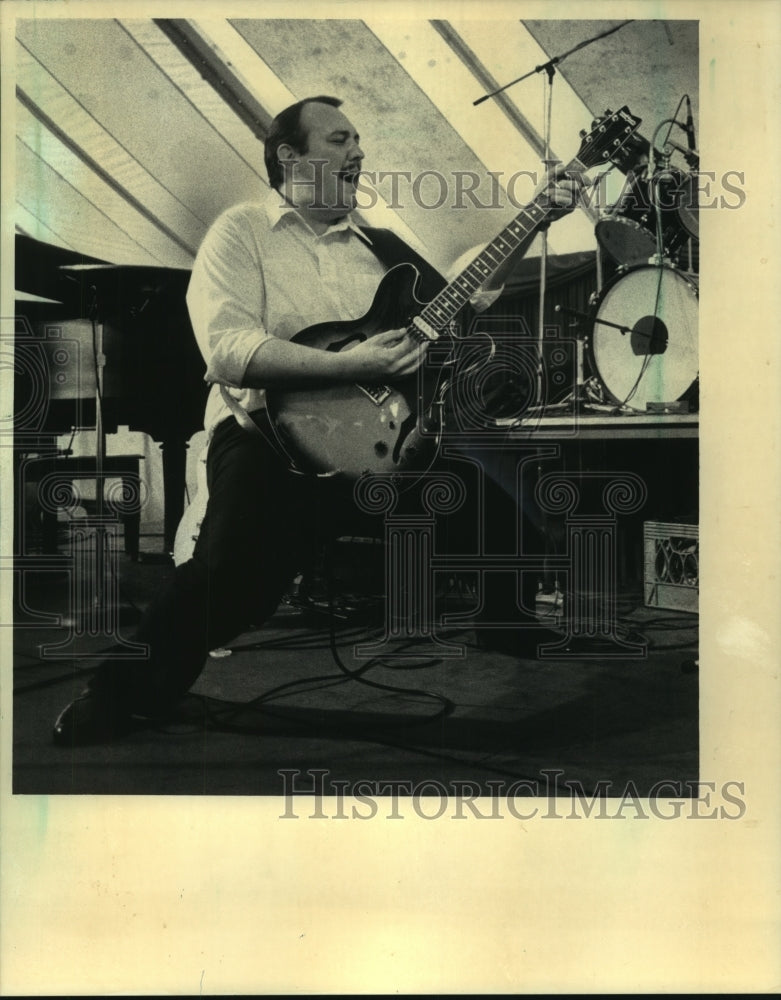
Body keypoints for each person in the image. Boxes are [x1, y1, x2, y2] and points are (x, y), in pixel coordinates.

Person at [53, 96, 579, 746]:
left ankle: (512, 639)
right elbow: (227, 349)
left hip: (375, 447)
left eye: (358, 139)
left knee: (500, 518)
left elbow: (468, 292)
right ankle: (117, 694)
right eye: (338, 139)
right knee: (228, 584)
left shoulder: (379, 248)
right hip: (265, 442)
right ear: (289, 156)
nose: (357, 151)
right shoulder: (241, 232)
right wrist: (346, 363)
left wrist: (537, 218)